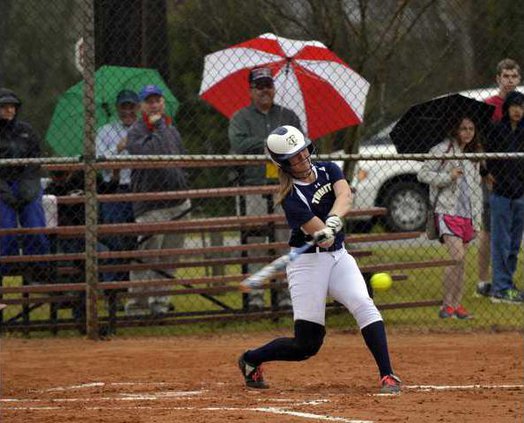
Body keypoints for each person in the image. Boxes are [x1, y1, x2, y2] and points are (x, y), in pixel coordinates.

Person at [237, 125, 401, 394]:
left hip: (338, 257)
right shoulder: (291, 197)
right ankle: (251, 359)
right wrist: (323, 232)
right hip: (307, 265)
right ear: (284, 164)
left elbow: (344, 196)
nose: (302, 158)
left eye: (303, 151)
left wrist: (334, 220)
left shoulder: (328, 169)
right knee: (307, 346)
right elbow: (318, 234)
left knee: (363, 303)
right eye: (294, 156)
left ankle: (388, 375)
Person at [229, 66, 302, 311]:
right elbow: (238, 144)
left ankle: (285, 296)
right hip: (254, 187)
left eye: (268, 85)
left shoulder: (288, 116)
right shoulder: (241, 117)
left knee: (285, 241)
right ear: (250, 90)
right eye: (258, 86)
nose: (264, 91)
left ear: (273, 88)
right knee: (256, 242)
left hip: (284, 187)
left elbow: (301, 142)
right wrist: (270, 143)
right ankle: (256, 297)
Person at [125, 84, 191, 316]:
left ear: (163, 102)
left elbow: (182, 158)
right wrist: (157, 127)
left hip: (178, 202)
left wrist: (184, 180)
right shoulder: (136, 131)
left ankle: (160, 304)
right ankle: (137, 307)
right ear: (142, 106)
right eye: (149, 101)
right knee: (147, 257)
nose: (154, 105)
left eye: (157, 100)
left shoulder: (171, 129)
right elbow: (152, 157)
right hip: (151, 204)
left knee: (169, 258)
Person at [418, 117, 483, 319]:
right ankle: (446, 305)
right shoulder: (443, 150)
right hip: (447, 211)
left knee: (461, 262)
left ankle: (457, 305)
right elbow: (423, 174)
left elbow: (477, 191)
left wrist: (477, 220)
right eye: (463, 128)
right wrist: (448, 177)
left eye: (471, 128)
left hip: (467, 215)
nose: (468, 132)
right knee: (456, 257)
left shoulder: (474, 154)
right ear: (455, 130)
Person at [477, 59, 521, 296]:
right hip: (494, 178)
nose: (510, 81)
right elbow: (480, 143)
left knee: (513, 231)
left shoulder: (521, 107)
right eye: (506, 76)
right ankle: (484, 281)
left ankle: (505, 280)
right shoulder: (489, 107)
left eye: (514, 76)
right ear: (498, 79)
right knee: (489, 229)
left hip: (517, 180)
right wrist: (486, 172)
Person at [0, 88, 50, 284]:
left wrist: (28, 188)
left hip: (26, 183)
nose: (9, 110)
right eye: (4, 106)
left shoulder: (26, 131)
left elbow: (35, 161)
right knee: (6, 230)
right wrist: (4, 191)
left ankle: (37, 272)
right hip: (2, 187)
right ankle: (5, 270)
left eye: (12, 106)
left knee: (36, 228)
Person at [484, 91, 524, 303]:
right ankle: (500, 288)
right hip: (500, 194)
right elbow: (482, 155)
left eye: (521, 106)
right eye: (514, 106)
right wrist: (485, 174)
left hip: (520, 194)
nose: (517, 110)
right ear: (507, 108)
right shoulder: (497, 130)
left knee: (515, 243)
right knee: (501, 242)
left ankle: (507, 283)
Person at [96, 89, 139, 281]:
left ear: (137, 107)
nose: (128, 111)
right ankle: (114, 288)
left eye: (131, 106)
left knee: (137, 239)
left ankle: (134, 285)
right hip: (114, 188)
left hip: (139, 188)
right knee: (114, 238)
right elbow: (99, 161)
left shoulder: (143, 129)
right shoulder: (105, 131)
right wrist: (118, 148)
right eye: (124, 106)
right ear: (117, 108)